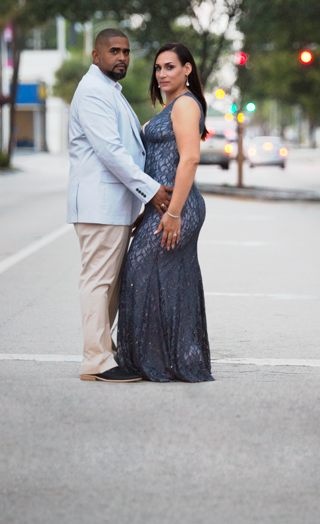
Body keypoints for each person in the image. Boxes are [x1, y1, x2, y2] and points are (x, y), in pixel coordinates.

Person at [67, 29, 173, 383]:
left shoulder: (110, 91)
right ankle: (96, 360)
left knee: (108, 284)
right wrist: (152, 190)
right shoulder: (94, 92)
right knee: (98, 281)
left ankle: (102, 352)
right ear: (96, 56)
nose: (122, 58)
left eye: (126, 52)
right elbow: (111, 152)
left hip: (112, 205)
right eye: (114, 51)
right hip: (100, 204)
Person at [116, 42, 214, 382]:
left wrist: (172, 214)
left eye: (170, 67)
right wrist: (149, 210)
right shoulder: (171, 107)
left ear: (187, 69)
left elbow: (189, 159)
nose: (162, 74)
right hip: (163, 207)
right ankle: (172, 357)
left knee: (140, 270)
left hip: (180, 208)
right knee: (170, 278)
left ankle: (162, 359)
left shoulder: (186, 105)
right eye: (158, 68)